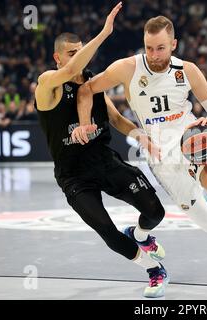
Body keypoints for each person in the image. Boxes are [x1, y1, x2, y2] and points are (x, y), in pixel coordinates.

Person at [72, 15, 207, 295]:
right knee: (206, 222)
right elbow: (86, 90)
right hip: (160, 153)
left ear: (173, 44)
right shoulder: (126, 69)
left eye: (160, 48)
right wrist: (84, 122)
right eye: (149, 48)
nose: (154, 54)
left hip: (191, 139)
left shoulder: (187, 70)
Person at [34, 3, 170, 298]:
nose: (79, 57)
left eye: (81, 50)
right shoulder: (47, 84)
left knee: (155, 211)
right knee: (106, 230)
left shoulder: (93, 82)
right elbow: (70, 70)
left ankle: (140, 235)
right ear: (57, 58)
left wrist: (140, 136)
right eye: (72, 52)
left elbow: (116, 119)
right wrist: (105, 33)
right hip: (74, 177)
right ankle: (153, 270)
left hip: (104, 162)